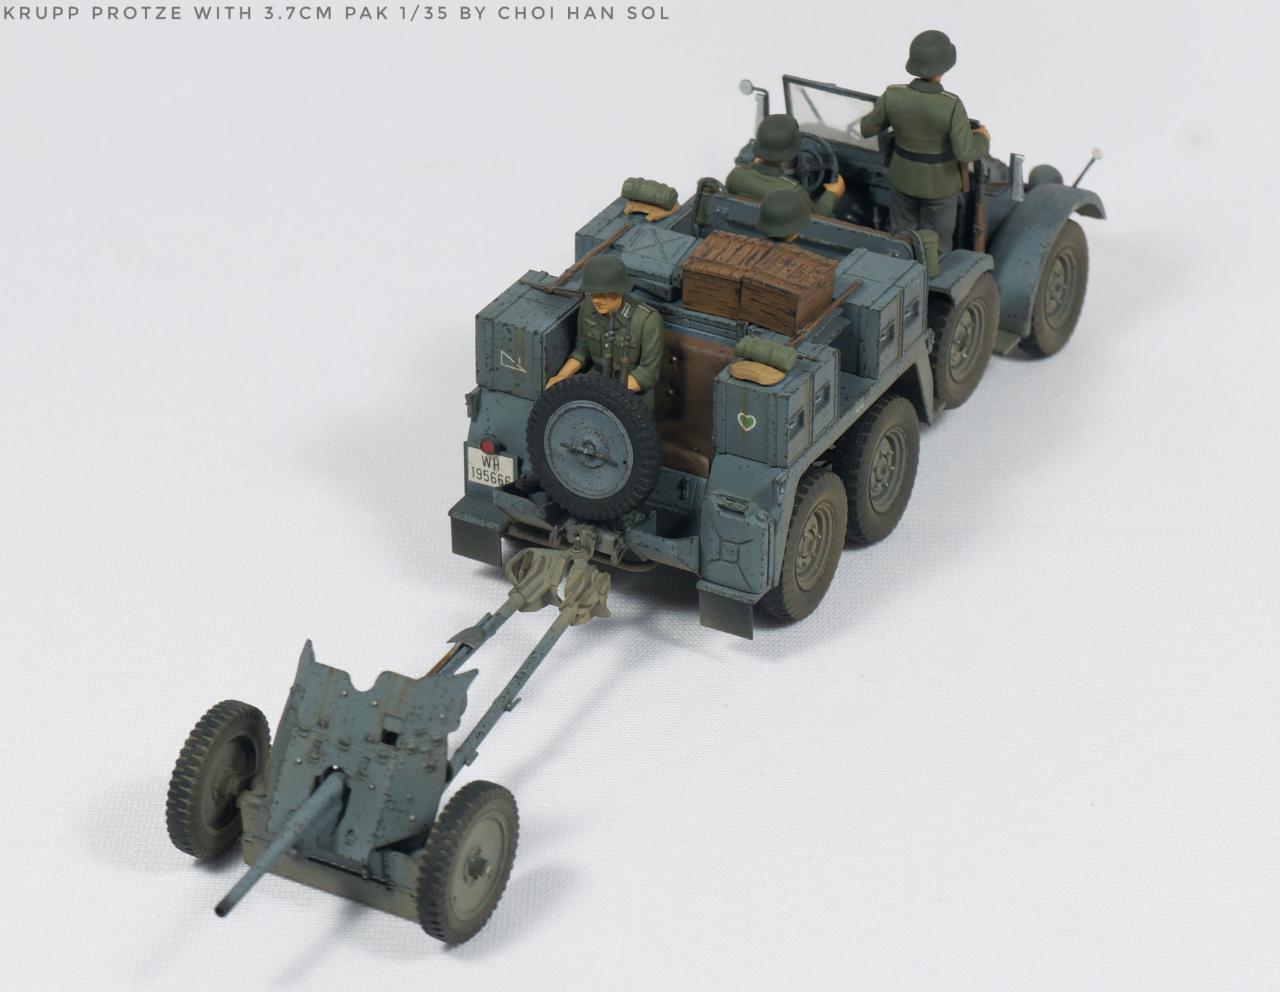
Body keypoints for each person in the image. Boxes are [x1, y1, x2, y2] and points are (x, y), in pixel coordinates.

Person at [858, 29, 991, 252]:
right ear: (944, 67)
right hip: (940, 187)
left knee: (902, 237)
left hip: (902, 179)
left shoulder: (893, 95)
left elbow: (866, 128)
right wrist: (982, 137)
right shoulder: (951, 105)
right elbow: (965, 152)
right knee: (936, 246)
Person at [546, 255, 665, 410]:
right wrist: (562, 377)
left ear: (619, 290)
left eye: (603, 294)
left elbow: (647, 374)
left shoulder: (647, 320)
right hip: (595, 385)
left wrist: (606, 393)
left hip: (632, 396)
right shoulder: (588, 308)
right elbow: (581, 352)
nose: (596, 300)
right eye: (593, 293)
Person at [726, 114, 845, 216]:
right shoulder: (793, 191)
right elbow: (817, 217)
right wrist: (833, 193)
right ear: (789, 154)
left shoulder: (735, 175)